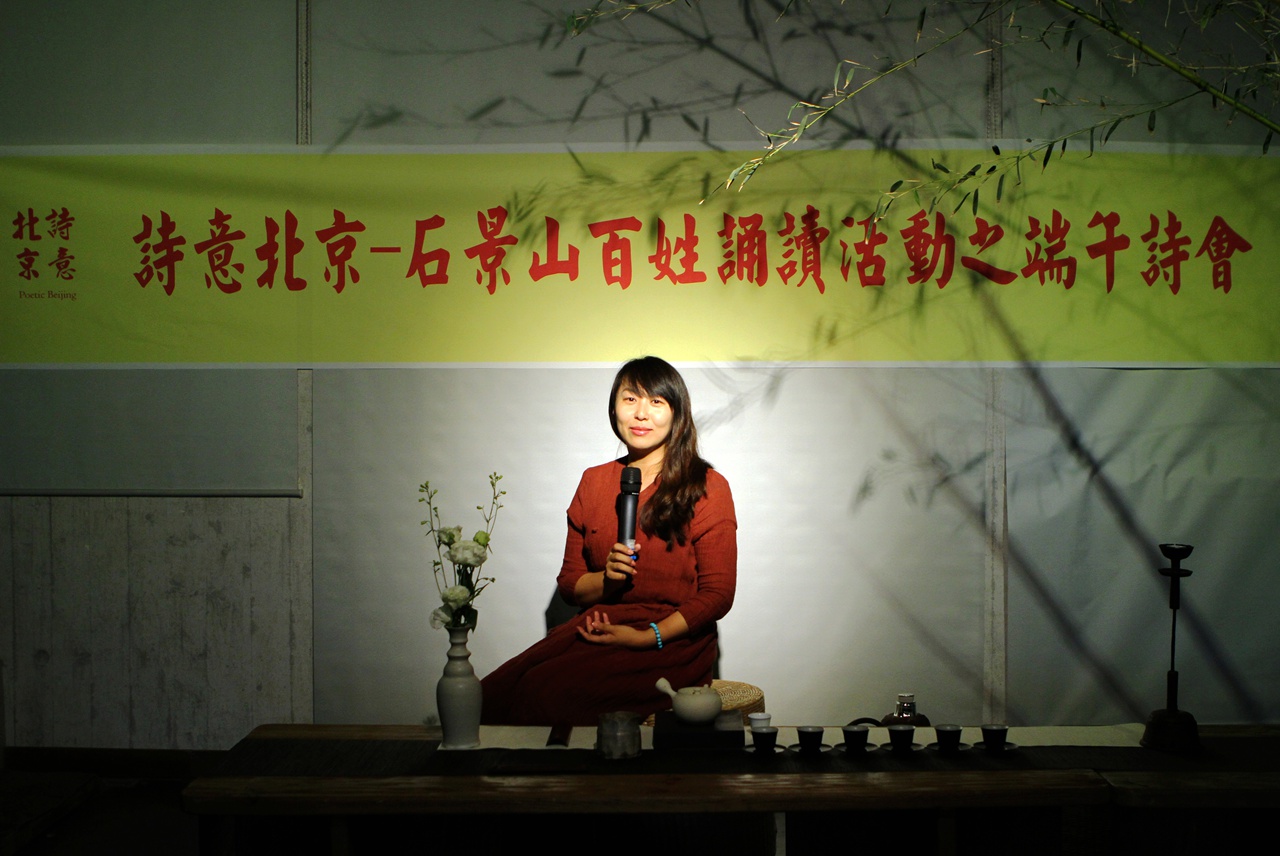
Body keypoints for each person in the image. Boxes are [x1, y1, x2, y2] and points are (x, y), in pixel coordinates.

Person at [480, 356, 737, 725]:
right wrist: (607, 579)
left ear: (677, 413)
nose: (641, 413)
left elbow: (718, 594)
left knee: (545, 694)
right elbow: (570, 584)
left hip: (672, 642)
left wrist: (646, 637)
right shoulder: (594, 481)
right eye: (630, 399)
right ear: (614, 408)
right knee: (493, 693)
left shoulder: (707, 486)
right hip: (600, 630)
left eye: (656, 401)